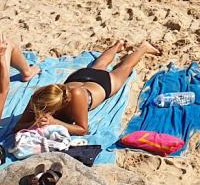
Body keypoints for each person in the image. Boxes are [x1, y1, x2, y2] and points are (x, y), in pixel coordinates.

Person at [16, 41, 160, 136]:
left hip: (101, 84)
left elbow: (83, 129)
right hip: (78, 77)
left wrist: (55, 122)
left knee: (124, 68)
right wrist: (33, 124)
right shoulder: (41, 97)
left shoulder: (76, 97)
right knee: (99, 65)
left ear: (60, 105)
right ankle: (117, 46)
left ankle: (143, 48)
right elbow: (18, 126)